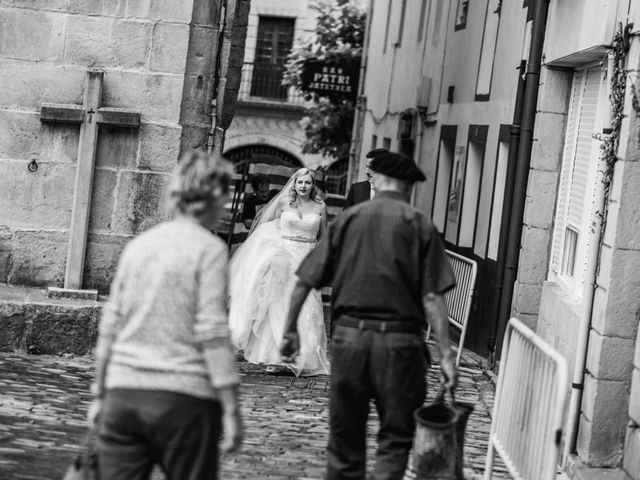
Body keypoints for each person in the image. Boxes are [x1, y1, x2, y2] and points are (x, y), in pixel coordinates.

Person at [281, 151, 459, 480]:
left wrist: (290, 330)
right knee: (395, 437)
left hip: (349, 340)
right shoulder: (419, 224)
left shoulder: (350, 220)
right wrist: (446, 356)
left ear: (381, 180)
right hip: (400, 343)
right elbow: (432, 296)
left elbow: (305, 279)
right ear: (404, 184)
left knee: (345, 437)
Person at [88, 150, 243, 480]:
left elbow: (110, 325)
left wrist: (100, 394)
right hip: (184, 400)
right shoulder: (209, 250)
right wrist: (230, 407)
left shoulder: (139, 246)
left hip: (124, 396)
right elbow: (212, 330)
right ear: (215, 197)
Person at [229, 167, 330, 377]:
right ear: (294, 184)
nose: (303, 186)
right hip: (283, 258)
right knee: (279, 304)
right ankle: (275, 356)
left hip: (306, 258)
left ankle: (302, 357)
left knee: (306, 306)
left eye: (308, 183)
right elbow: (266, 227)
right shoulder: (284, 203)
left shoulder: (320, 207)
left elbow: (323, 237)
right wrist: (271, 251)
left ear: (313, 185)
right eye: (300, 182)